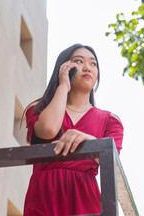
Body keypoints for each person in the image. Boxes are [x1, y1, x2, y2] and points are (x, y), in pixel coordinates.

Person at [22, 43, 124, 216]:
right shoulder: (38, 109)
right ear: (64, 68)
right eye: (79, 61)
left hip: (86, 198)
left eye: (93, 64)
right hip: (44, 197)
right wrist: (63, 86)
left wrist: (90, 142)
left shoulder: (110, 121)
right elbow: (48, 129)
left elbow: (113, 167)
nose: (87, 67)